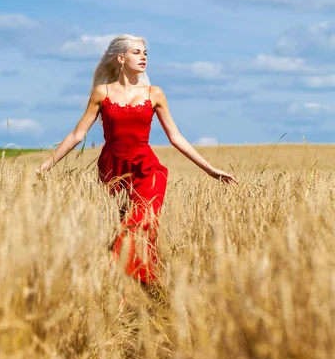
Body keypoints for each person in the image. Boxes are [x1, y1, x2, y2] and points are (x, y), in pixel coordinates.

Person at [36, 34, 238, 286]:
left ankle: (114, 272)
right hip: (113, 169)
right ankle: (129, 297)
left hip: (147, 169)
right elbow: (78, 134)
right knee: (127, 231)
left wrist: (210, 169)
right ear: (120, 58)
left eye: (145, 53)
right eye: (136, 52)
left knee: (137, 225)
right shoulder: (102, 93)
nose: (143, 58)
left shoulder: (154, 93)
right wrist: (45, 166)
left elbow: (175, 137)